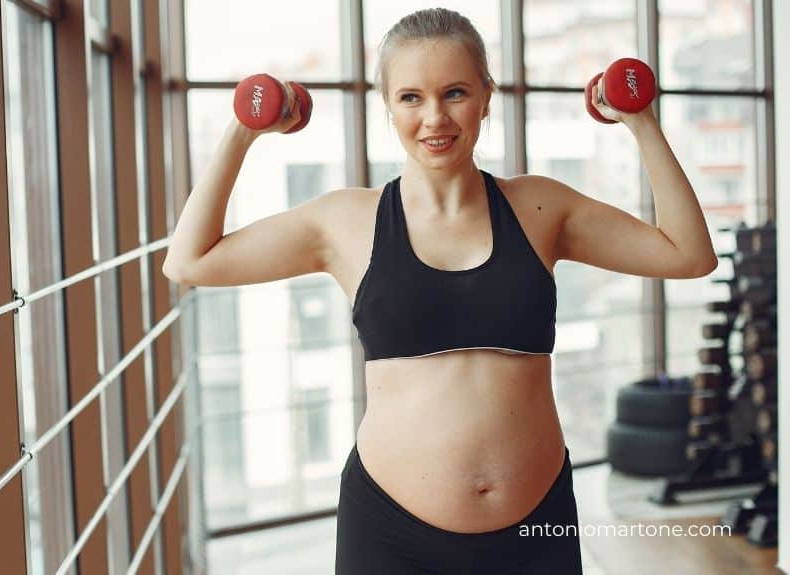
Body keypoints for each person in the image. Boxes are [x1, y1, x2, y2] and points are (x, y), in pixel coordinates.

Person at [163, 7, 718, 574]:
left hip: (536, 531)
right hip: (390, 536)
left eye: (454, 92)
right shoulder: (345, 221)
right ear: (387, 104)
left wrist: (641, 122)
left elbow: (689, 254)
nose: (434, 118)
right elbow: (189, 260)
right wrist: (243, 130)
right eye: (410, 97)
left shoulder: (539, 206)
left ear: (486, 96)